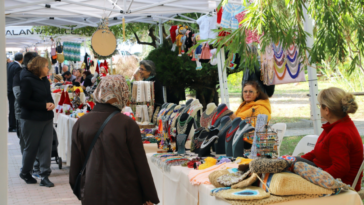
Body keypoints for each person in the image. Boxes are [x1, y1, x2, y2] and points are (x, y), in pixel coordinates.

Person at [70, 75, 159, 205]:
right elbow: (140, 164)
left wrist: (83, 191)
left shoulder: (81, 123)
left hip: (92, 193)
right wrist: (149, 196)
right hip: (126, 194)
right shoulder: (127, 124)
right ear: (122, 93)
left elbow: (75, 168)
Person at [301, 87, 363, 191]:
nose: (319, 108)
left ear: (326, 110)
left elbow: (340, 168)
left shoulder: (339, 133)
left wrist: (316, 178)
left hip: (341, 186)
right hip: (327, 176)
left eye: (320, 105)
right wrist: (293, 160)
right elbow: (318, 152)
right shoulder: (335, 126)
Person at [18, 56, 55, 187]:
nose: (48, 68)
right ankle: (25, 172)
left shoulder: (45, 80)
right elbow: (22, 102)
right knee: (31, 148)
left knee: (46, 147)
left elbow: (49, 97)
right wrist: (43, 106)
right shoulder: (27, 81)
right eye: (46, 66)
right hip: (31, 119)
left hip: (47, 119)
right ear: (39, 67)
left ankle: (45, 176)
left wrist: (52, 104)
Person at [7, 53, 23, 132]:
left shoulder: (9, 65)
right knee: (14, 108)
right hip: (13, 90)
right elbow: (16, 80)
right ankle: (12, 126)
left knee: (11, 108)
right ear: (22, 59)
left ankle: (12, 125)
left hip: (9, 89)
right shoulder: (17, 67)